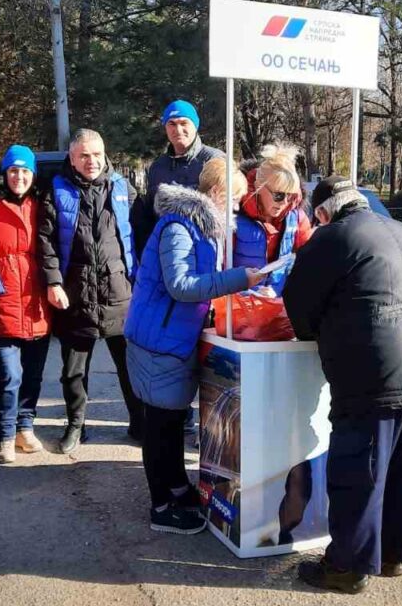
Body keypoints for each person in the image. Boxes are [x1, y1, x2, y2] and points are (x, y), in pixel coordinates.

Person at [283, 176, 402, 594]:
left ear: (321, 213)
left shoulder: (330, 238)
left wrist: (313, 334)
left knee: (360, 470)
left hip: (374, 372)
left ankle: (345, 567)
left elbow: (298, 304)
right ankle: (392, 555)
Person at [125, 156, 263, 534]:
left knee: (170, 422)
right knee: (159, 427)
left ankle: (177, 486)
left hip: (171, 337)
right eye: (234, 199)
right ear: (217, 193)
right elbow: (181, 286)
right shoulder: (179, 227)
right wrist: (238, 280)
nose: (236, 207)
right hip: (158, 340)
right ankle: (161, 505)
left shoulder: (200, 228)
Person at [38, 128, 143, 452]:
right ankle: (75, 426)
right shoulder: (55, 191)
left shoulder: (124, 188)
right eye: (84, 155)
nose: (92, 161)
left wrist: (139, 282)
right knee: (73, 372)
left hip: (119, 294)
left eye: (97, 154)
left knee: (130, 368)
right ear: (72, 157)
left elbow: (142, 235)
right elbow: (45, 242)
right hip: (76, 295)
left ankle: (139, 424)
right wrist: (53, 281)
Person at [0, 145, 52, 465]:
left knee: (33, 374)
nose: (19, 177)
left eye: (25, 171)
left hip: (36, 302)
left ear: (33, 175)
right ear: (3, 173)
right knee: (9, 374)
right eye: (13, 171)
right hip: (1, 300)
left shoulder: (40, 204)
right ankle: (5, 436)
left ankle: (25, 427)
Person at [134, 100, 224, 254]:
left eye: (184, 123)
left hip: (206, 248)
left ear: (195, 125)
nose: (178, 129)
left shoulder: (213, 160)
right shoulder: (158, 167)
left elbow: (227, 209)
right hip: (167, 249)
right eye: (172, 124)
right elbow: (150, 214)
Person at [233, 144, 314, 294]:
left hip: (278, 305)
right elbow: (219, 268)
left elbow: (309, 265)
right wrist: (248, 292)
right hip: (238, 307)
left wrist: (288, 291)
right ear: (258, 186)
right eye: (279, 195)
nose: (284, 202)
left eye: (291, 196)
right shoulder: (234, 214)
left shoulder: (297, 219)